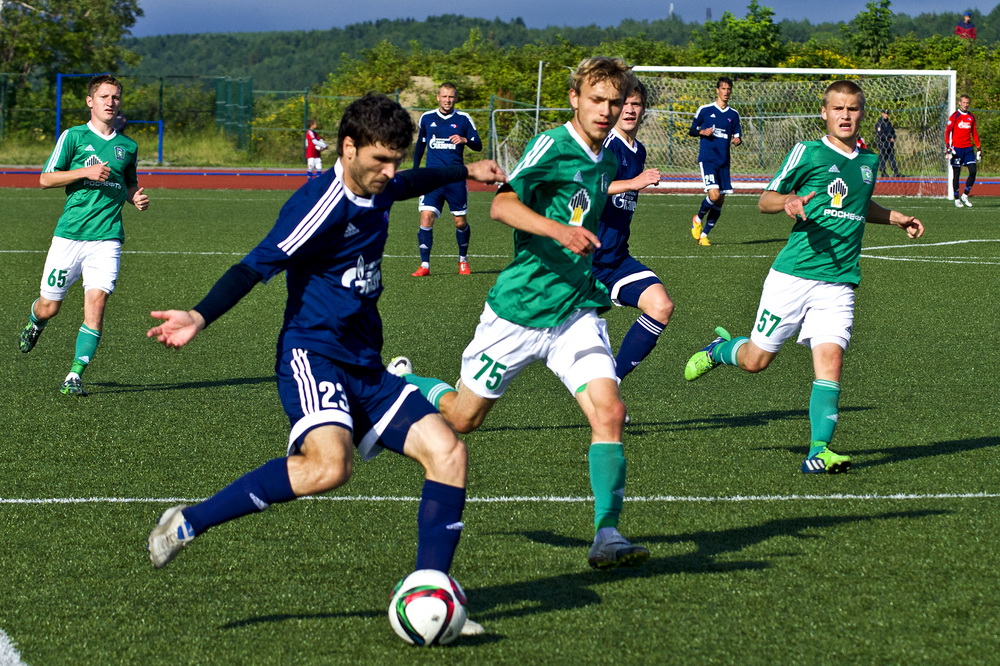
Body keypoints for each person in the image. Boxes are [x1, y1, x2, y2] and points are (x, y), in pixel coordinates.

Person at [145, 93, 504, 635]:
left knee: (449, 452)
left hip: (365, 361)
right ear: (348, 147)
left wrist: (465, 168)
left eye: (396, 160)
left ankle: (432, 595)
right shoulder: (319, 205)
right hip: (313, 355)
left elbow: (407, 184)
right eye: (379, 161)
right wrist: (199, 315)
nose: (389, 172)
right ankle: (188, 521)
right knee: (329, 468)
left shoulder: (382, 185)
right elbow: (254, 266)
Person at [394, 57, 650, 570]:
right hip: (518, 311)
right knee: (463, 418)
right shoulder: (553, 144)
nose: (606, 110)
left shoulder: (608, 158)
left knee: (610, 412)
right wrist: (560, 232)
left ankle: (607, 533)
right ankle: (408, 381)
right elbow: (502, 207)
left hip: (575, 310)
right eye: (596, 100)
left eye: (615, 102)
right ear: (575, 98)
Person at [683, 80, 924, 475]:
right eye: (838, 109)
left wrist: (895, 217)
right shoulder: (808, 153)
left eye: (853, 109)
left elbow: (859, 204)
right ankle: (719, 350)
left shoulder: (869, 161)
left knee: (830, 361)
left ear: (862, 113)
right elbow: (766, 200)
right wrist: (789, 202)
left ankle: (818, 450)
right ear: (824, 114)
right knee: (756, 361)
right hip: (792, 277)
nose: (845, 115)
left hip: (840, 280)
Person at [18, 74, 149, 396]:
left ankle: (74, 375)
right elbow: (45, 179)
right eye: (104, 97)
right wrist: (85, 172)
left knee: (97, 302)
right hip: (69, 236)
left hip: (107, 238)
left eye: (115, 97)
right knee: (49, 307)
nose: (110, 102)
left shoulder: (127, 146)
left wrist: (134, 197)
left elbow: (127, 181)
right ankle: (36, 322)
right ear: (91, 101)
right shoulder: (73, 137)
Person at [592, 80, 672, 384]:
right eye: (623, 103)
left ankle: (612, 382)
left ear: (643, 109)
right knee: (533, 335)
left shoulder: (637, 149)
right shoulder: (605, 145)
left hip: (615, 259)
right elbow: (587, 188)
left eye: (635, 103)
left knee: (661, 305)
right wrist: (632, 183)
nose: (629, 109)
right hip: (581, 260)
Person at [410, 82, 483, 276]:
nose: (447, 100)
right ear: (438, 97)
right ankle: (425, 265)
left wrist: (465, 140)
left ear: (455, 98)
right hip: (431, 178)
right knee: (426, 217)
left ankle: (463, 261)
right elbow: (420, 146)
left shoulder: (464, 119)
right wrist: (415, 171)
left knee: (459, 222)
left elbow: (478, 145)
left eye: (451, 97)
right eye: (444, 96)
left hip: (455, 179)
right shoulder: (427, 118)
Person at [689, 77, 741, 246]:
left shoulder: (733, 115)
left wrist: (737, 140)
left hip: (724, 161)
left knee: (720, 201)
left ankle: (704, 235)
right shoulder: (705, 110)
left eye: (728, 89)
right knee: (714, 195)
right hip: (708, 159)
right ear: (717, 90)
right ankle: (698, 218)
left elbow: (737, 135)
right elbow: (692, 130)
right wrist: (701, 132)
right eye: (723, 88)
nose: (726, 92)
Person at [945, 94, 981, 208]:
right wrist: (948, 147)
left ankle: (965, 195)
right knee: (956, 174)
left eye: (967, 103)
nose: (965, 105)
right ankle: (956, 199)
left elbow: (974, 134)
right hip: (957, 149)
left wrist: (979, 148)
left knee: (973, 171)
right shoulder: (955, 116)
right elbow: (947, 132)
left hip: (968, 149)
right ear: (959, 103)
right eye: (963, 102)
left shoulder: (971, 117)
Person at [874, 109, 903, 177]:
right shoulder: (879, 123)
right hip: (883, 143)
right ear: (882, 114)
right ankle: (883, 172)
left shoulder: (889, 123)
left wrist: (893, 137)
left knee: (891, 157)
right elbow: (879, 134)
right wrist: (888, 138)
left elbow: (893, 132)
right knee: (882, 158)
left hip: (890, 144)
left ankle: (895, 172)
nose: (886, 115)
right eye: (885, 113)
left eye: (887, 114)